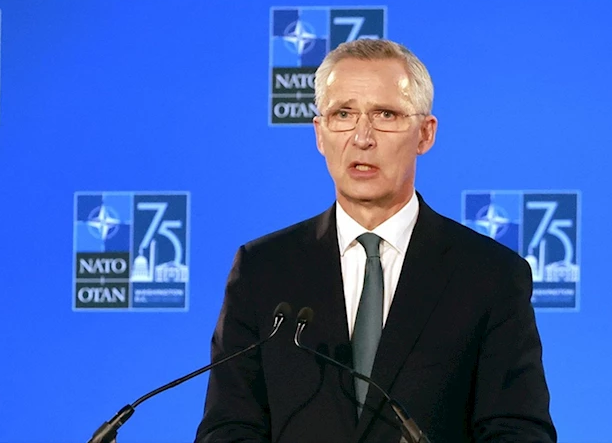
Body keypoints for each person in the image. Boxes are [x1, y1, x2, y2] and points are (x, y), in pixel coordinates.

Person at [194, 38, 557, 443]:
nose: (362, 137)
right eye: (343, 114)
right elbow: (228, 428)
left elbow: (518, 430)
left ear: (425, 134)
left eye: (386, 114)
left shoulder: (490, 274)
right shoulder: (263, 269)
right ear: (320, 134)